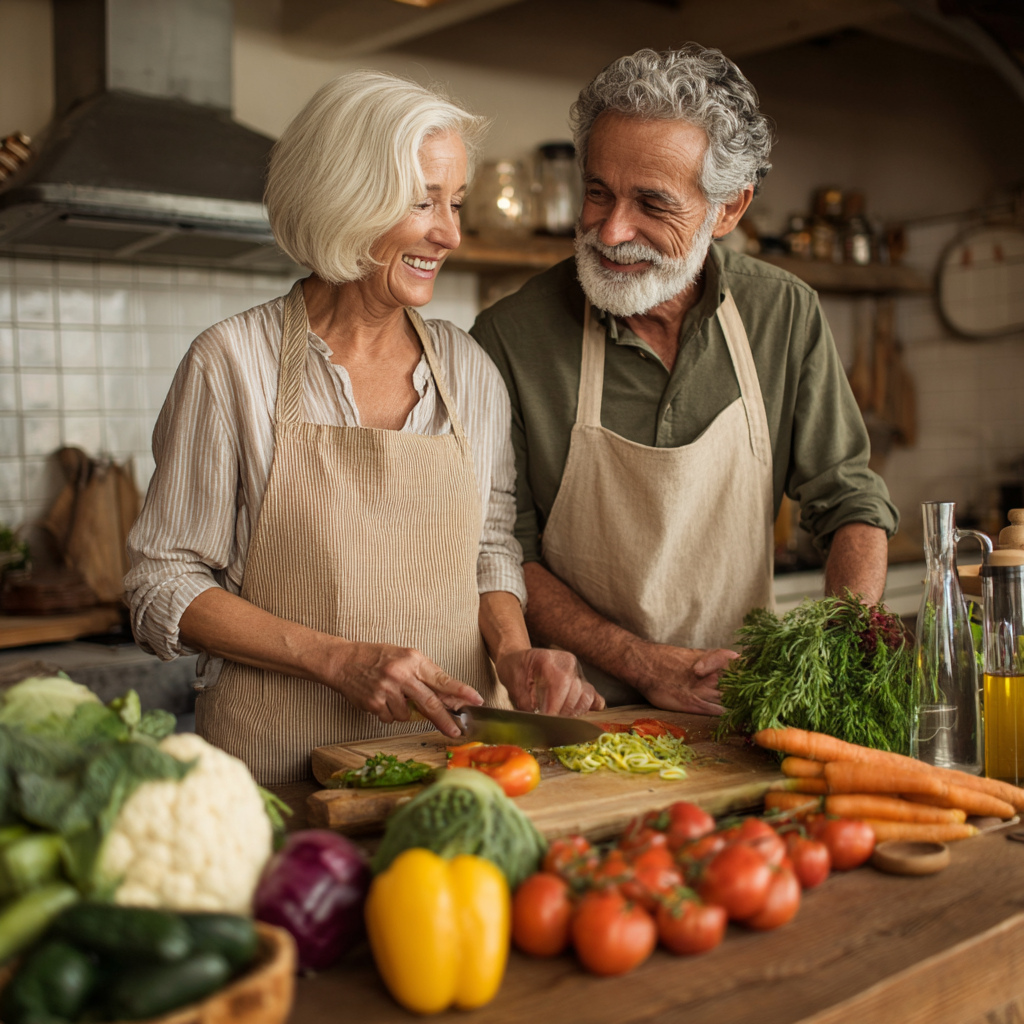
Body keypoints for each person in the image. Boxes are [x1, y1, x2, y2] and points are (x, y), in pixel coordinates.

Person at [125, 71, 602, 785]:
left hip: (456, 768)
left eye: (457, 203)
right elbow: (160, 581)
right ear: (347, 197)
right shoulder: (231, 363)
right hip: (278, 771)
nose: (451, 232)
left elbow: (489, 546)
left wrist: (513, 653)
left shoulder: (467, 368)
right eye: (423, 202)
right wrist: (335, 659)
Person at [471, 45, 899, 715]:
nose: (612, 231)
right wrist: (645, 665)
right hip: (578, 721)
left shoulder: (780, 313)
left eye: (652, 203)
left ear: (728, 211)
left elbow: (848, 502)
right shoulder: (508, 337)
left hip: (744, 712)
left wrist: (842, 642)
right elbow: (503, 550)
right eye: (597, 192)